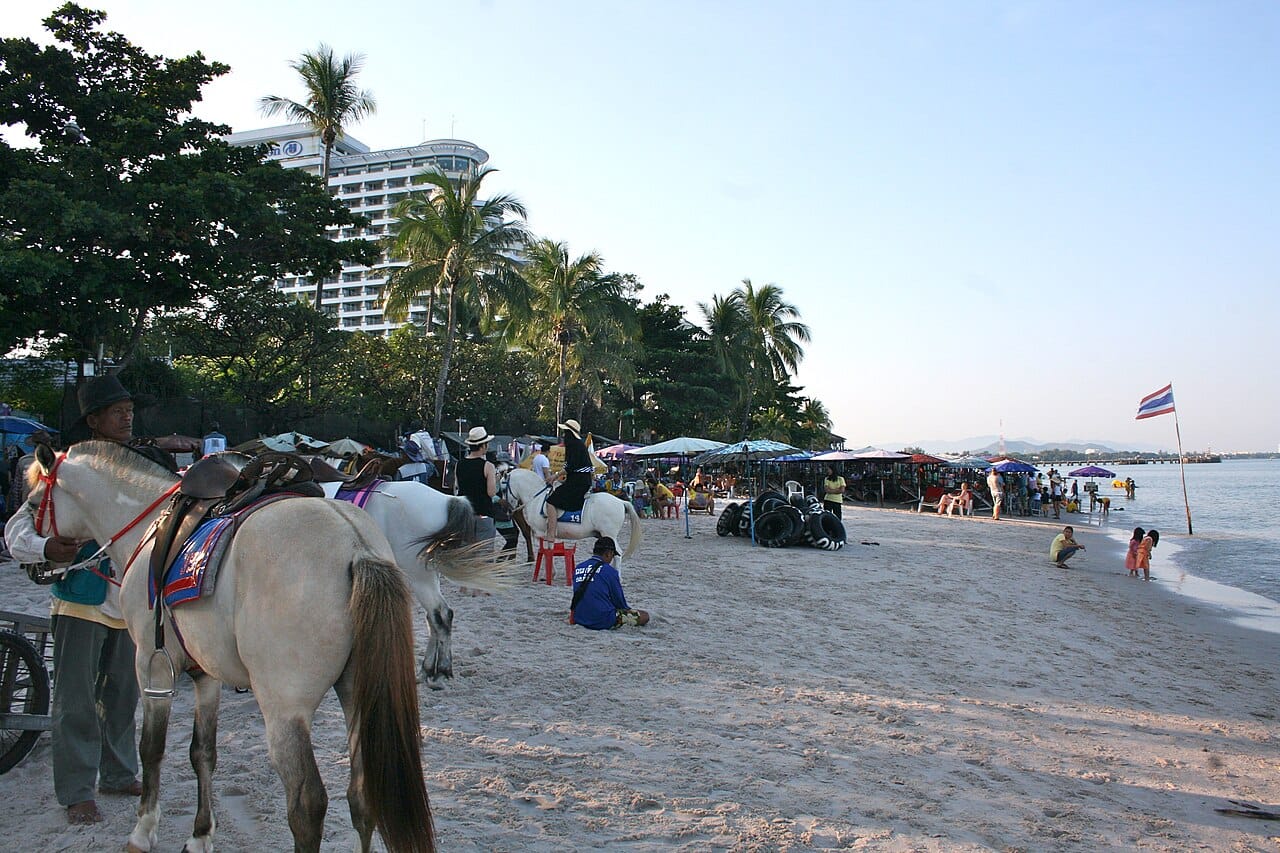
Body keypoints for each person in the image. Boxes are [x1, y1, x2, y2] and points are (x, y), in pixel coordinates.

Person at [3, 375, 176, 824]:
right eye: (116, 410)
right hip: (82, 600)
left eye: (129, 408)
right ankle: (77, 790)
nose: (127, 416)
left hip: (133, 605)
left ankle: (118, 774)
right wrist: (46, 549)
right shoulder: (64, 468)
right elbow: (18, 528)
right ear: (94, 420)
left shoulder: (147, 463)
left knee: (122, 698)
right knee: (76, 701)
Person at [569, 537, 649, 630]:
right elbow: (620, 602)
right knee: (645, 616)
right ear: (608, 553)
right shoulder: (610, 571)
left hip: (579, 618)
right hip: (603, 620)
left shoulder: (579, 567)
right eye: (612, 555)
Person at [546, 420, 593, 541]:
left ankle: (551, 534)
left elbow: (570, 467)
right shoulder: (578, 445)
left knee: (551, 501)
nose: (563, 436)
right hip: (581, 480)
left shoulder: (574, 446)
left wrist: (554, 477)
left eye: (565, 433)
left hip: (578, 482)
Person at [455, 426, 498, 542]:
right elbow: (491, 492)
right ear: (483, 445)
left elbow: (458, 486)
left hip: (464, 513)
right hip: (483, 512)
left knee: (465, 553)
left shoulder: (459, 464)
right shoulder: (488, 466)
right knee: (484, 555)